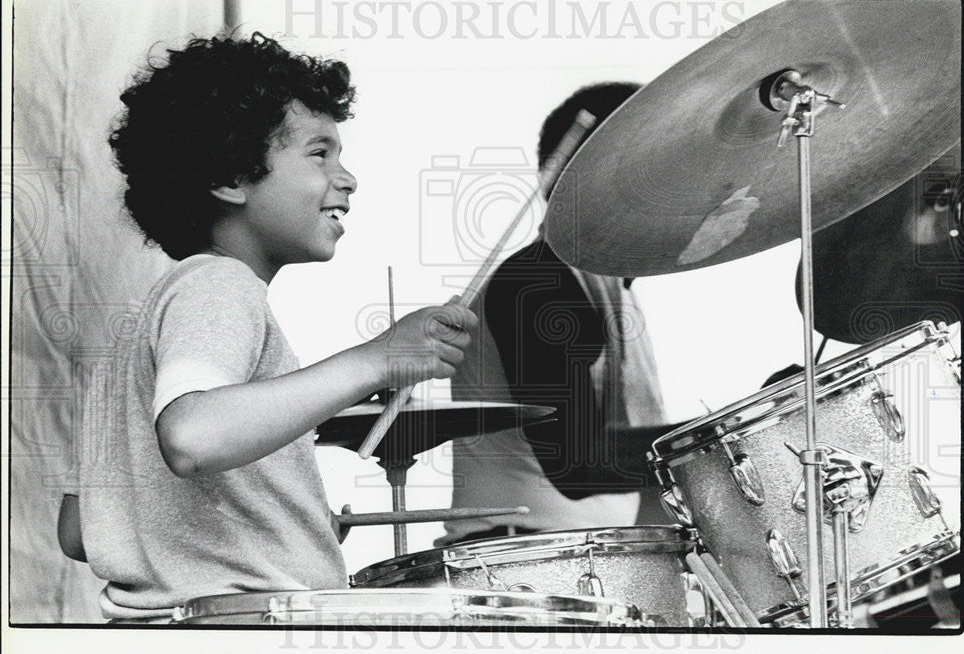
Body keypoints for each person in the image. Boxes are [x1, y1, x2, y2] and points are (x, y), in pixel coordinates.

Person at [56, 32, 476, 620]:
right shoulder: (220, 288)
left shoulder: (142, 330)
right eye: (318, 153)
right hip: (241, 643)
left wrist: (278, 523)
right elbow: (193, 438)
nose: (347, 176)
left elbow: (81, 531)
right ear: (231, 175)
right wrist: (378, 358)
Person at [439, 82, 679, 546]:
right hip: (522, 566)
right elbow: (578, 464)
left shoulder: (607, 288)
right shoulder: (538, 282)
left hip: (577, 556)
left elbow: (636, 481)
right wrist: (720, 434)